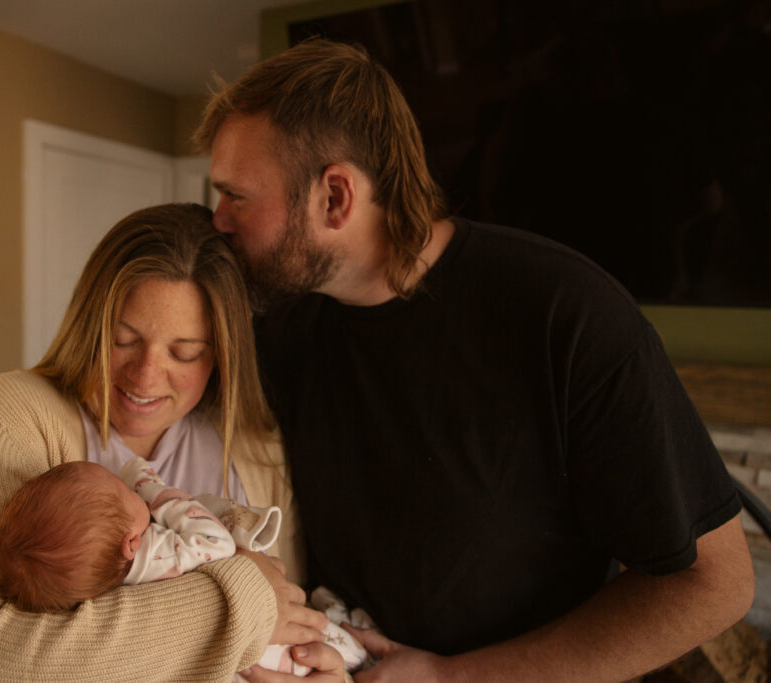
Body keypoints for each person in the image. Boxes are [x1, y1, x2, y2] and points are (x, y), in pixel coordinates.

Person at [192, 39, 755, 681]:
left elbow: (718, 584)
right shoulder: (284, 325)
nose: (219, 220)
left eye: (237, 195)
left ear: (336, 198)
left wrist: (450, 678)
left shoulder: (565, 315)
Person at [0, 203, 341, 682]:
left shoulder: (256, 449)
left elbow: (293, 614)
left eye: (185, 352)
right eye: (123, 339)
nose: (145, 377)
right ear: (89, 324)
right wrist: (240, 603)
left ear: (221, 355)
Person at [0, 457, 369, 677]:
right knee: (339, 646)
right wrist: (154, 490)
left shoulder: (108, 586)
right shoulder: (156, 552)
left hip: (239, 660)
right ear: (130, 543)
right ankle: (361, 646)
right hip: (279, 653)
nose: (128, 486)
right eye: (121, 490)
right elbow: (216, 543)